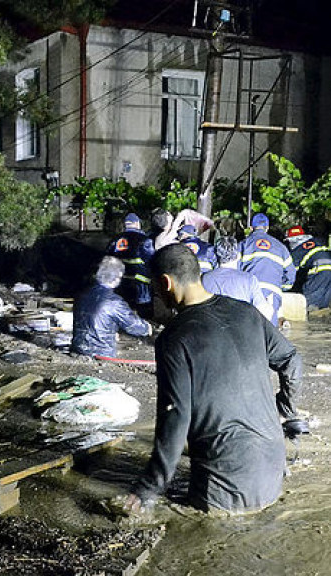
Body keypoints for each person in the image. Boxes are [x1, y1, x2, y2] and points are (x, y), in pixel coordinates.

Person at [124, 243, 304, 515]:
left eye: (155, 289)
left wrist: (149, 487)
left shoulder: (175, 338)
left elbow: (176, 419)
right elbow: (292, 360)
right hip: (272, 467)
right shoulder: (247, 313)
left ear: (165, 283)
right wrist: (285, 410)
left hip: (224, 485)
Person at [71, 256, 153, 358]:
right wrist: (146, 327)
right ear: (117, 277)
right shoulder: (114, 301)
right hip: (101, 353)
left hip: (78, 349)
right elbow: (134, 326)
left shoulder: (81, 294)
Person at [239, 213, 296, 326]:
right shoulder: (281, 247)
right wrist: (281, 288)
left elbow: (234, 269)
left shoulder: (243, 244)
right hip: (272, 292)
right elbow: (291, 274)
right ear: (268, 228)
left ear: (251, 228)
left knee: (248, 327)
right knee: (270, 330)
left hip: (249, 291)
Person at [201, 236, 274, 321]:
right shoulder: (249, 279)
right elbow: (265, 314)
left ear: (216, 256)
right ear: (238, 255)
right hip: (240, 331)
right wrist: (269, 305)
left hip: (212, 329)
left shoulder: (204, 279)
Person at [106, 213, 155, 311]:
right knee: (142, 312)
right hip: (140, 285)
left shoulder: (115, 240)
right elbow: (152, 260)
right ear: (137, 223)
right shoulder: (145, 240)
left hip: (120, 283)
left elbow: (107, 259)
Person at [284, 226, 331, 311]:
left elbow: (290, 271)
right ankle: (322, 313)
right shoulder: (316, 241)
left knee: (310, 296)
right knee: (325, 294)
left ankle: (310, 313)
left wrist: (284, 286)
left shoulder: (298, 250)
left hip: (319, 270)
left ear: (292, 240)